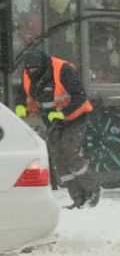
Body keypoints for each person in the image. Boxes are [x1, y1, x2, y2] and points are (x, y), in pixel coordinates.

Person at [17, 48, 99, 209]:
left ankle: (92, 190)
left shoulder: (63, 69)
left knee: (69, 153)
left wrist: (63, 114)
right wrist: (21, 106)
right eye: (28, 69)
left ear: (42, 66)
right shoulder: (28, 74)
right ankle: (77, 198)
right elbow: (23, 93)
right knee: (58, 159)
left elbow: (80, 97)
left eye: (34, 69)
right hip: (51, 121)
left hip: (75, 117)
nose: (31, 72)